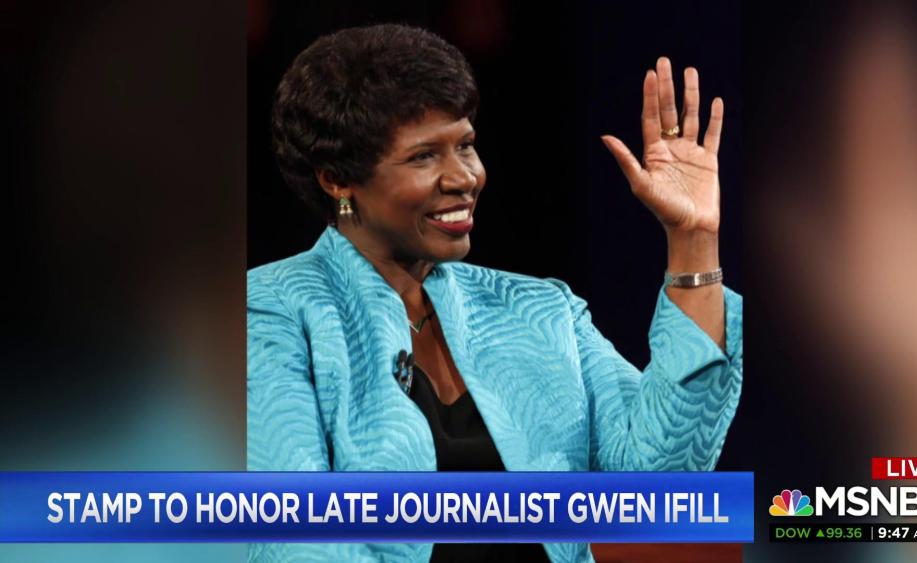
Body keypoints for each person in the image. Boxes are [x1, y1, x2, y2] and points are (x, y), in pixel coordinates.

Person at [248, 23, 742, 563]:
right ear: (336, 179)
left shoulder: (540, 311)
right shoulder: (270, 312)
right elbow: (290, 538)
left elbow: (659, 481)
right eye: (423, 156)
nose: (464, 177)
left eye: (464, 145)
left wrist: (694, 238)